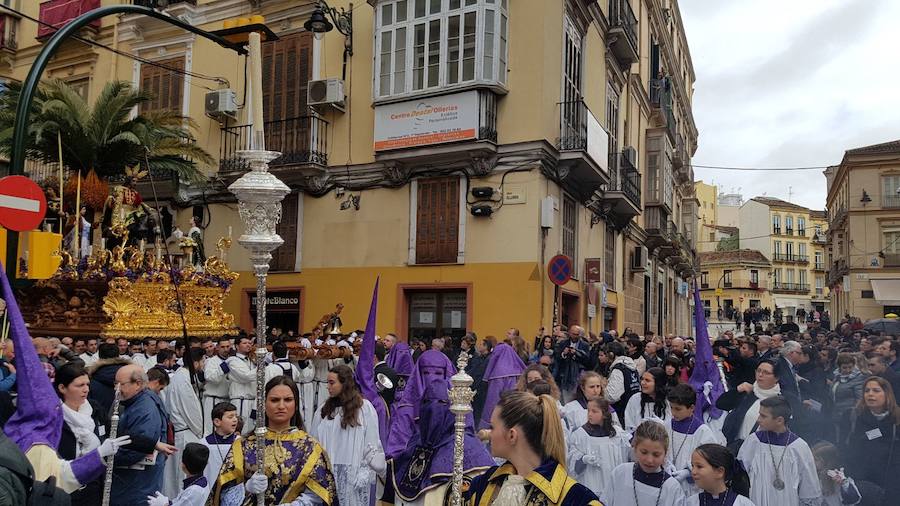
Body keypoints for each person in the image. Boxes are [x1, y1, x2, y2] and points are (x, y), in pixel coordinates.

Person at [209, 376, 337, 505]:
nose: (281, 406)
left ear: (296, 405)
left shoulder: (310, 448)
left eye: (287, 400)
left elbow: (322, 494)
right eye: (274, 400)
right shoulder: (243, 445)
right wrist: (245, 488)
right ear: (264, 404)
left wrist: (299, 504)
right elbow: (222, 496)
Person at [464, 390, 602, 506]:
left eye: (492, 427)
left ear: (512, 435)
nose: (488, 433)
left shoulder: (577, 499)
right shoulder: (483, 485)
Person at [383, 382, 494, 505]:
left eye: (442, 403)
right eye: (426, 402)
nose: (431, 409)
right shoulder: (416, 442)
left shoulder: (471, 451)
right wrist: (383, 471)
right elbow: (394, 484)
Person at [310, 365, 385, 506]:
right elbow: (314, 443)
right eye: (327, 383)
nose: (328, 387)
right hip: (328, 475)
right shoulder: (324, 410)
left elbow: (372, 442)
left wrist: (366, 471)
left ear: (344, 383)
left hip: (353, 476)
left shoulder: (364, 408)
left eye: (332, 382)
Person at [737, 396, 821, 506]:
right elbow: (740, 474)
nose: (758, 419)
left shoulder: (799, 447)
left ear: (779, 420)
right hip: (757, 500)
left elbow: (808, 486)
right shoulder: (753, 441)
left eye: (763, 416)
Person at [385, 350, 456, 458]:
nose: (432, 379)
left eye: (438, 373)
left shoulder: (456, 409)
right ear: (418, 375)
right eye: (426, 373)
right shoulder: (407, 410)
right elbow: (396, 450)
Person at [55, 363, 107, 505]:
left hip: (93, 486)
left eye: (87, 384)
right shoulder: (53, 416)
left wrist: (153, 444)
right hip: (64, 489)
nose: (86, 389)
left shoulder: (94, 408)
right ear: (62, 388)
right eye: (79, 385)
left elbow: (113, 432)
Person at [843, 376, 900, 506]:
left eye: (876, 390)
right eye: (867, 390)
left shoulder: (897, 419)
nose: (870, 394)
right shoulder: (853, 416)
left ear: (887, 394)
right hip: (863, 483)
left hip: (892, 485)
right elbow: (846, 446)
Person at [601, 421, 683, 506]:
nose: (649, 460)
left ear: (665, 454)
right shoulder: (621, 473)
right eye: (644, 452)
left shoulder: (672, 488)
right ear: (635, 448)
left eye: (656, 455)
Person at [161, 348, 206, 498]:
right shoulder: (182, 380)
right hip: (186, 433)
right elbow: (191, 412)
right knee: (182, 478)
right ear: (195, 363)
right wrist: (201, 433)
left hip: (183, 431)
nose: (204, 364)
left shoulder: (182, 377)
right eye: (203, 361)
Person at [566, 398, 629, 498]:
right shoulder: (580, 435)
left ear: (604, 414)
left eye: (594, 411)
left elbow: (625, 456)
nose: (590, 414)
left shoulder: (618, 434)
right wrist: (583, 459)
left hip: (612, 484)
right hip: (591, 483)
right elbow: (571, 457)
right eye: (588, 410)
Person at [665, 383, 719, 496]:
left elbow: (710, 459)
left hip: (691, 488)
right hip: (668, 481)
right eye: (671, 408)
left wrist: (688, 471)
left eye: (678, 409)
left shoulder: (702, 431)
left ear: (692, 408)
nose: (673, 413)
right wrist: (666, 464)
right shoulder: (667, 425)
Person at [717, 360, 782, 445]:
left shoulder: (782, 400)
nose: (760, 375)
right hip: (736, 446)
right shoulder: (747, 392)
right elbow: (720, 404)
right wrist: (737, 390)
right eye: (758, 371)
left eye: (766, 372)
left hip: (762, 448)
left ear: (776, 378)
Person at [477, 343, 526, 430]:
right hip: (515, 415)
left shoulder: (497, 373)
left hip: (498, 417)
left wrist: (485, 424)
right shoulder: (517, 370)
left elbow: (492, 401)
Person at [685, 443, 753, 506]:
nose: (693, 472)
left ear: (720, 472)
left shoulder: (742, 503)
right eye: (692, 466)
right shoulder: (691, 503)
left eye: (699, 466)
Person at [202, 401, 239, 501]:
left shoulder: (240, 443)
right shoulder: (204, 444)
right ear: (217, 422)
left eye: (236, 416)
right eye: (230, 417)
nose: (235, 420)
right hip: (209, 492)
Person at [812, 441, 862, 506]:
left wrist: (843, 483)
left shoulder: (838, 477)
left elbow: (854, 499)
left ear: (826, 461)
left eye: (816, 459)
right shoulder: (811, 475)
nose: (812, 462)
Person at [225, 336, 257, 435]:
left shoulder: (252, 361)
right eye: (244, 343)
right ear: (236, 346)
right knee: (239, 431)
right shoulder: (233, 360)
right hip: (240, 401)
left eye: (249, 343)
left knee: (251, 433)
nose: (248, 345)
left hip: (252, 401)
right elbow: (245, 376)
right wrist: (261, 367)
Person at [831, 352, 865, 442]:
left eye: (850, 367)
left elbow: (860, 398)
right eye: (844, 368)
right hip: (837, 413)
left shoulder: (858, 378)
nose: (848, 370)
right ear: (839, 367)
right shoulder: (837, 376)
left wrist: (854, 413)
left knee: (847, 439)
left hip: (850, 415)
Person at [604, 341, 640, 427]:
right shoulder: (632, 367)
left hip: (621, 412)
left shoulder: (618, 369)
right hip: (633, 409)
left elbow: (612, 396)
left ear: (611, 354)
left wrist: (603, 389)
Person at [624, 367, 671, 432]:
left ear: (658, 383)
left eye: (647, 380)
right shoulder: (635, 399)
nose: (643, 383)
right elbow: (629, 425)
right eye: (642, 379)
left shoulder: (668, 401)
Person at [553, 326, 592, 403]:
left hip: (578, 374)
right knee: (565, 399)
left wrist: (577, 354)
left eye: (577, 334)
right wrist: (564, 353)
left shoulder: (585, 345)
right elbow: (557, 357)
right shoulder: (563, 343)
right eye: (573, 334)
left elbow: (587, 360)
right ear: (569, 333)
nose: (575, 336)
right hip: (564, 375)